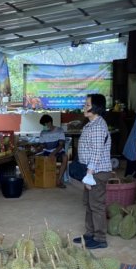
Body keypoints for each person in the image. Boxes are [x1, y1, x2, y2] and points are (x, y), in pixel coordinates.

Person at [72, 94, 112, 249]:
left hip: (96, 172)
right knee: (89, 204)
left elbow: (96, 152)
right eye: (85, 104)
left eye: (88, 105)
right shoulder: (91, 124)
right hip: (90, 171)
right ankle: (90, 234)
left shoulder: (98, 127)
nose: (85, 107)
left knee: (96, 205)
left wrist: (89, 175)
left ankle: (100, 238)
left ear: (97, 108)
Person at [37, 114, 67, 188]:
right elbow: (43, 145)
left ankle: (59, 180)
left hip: (58, 151)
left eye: (45, 124)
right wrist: (38, 148)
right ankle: (39, 179)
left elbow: (61, 145)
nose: (44, 126)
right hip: (47, 151)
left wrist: (53, 153)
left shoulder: (59, 130)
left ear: (49, 122)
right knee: (33, 157)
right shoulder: (43, 132)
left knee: (65, 157)